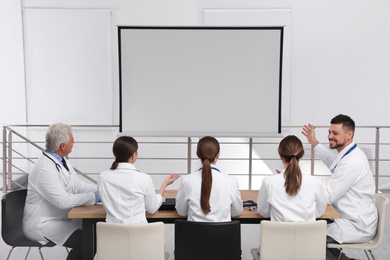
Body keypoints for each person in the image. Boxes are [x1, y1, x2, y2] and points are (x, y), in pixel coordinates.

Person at [302, 114, 378, 260]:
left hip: (355, 224)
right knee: (310, 231)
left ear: (349, 134)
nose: (330, 136)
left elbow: (327, 196)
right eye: (329, 132)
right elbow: (331, 161)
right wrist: (313, 141)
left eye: (335, 133)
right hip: (348, 217)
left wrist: (300, 191)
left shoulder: (351, 163)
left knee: (308, 236)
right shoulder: (348, 154)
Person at [23, 123, 99, 260]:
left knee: (94, 233)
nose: (74, 142)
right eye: (72, 140)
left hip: (59, 218)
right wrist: (94, 196)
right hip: (43, 224)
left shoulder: (62, 161)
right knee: (88, 241)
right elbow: (63, 201)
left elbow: (76, 185)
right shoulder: (44, 169)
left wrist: (101, 189)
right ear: (62, 146)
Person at [98, 136, 180, 223]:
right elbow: (152, 208)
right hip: (139, 235)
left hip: (112, 234)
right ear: (134, 155)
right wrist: (164, 184)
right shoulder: (143, 178)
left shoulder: (103, 177)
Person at [257, 135, 326, 222]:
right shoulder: (315, 182)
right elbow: (320, 212)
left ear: (280, 155)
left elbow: (263, 212)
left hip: (278, 235)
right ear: (302, 155)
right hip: (306, 235)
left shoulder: (269, 182)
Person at [175, 136, 243, 221]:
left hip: (194, 234)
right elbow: (237, 212)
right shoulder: (231, 182)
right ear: (218, 154)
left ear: (197, 154)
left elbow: (181, 211)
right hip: (223, 234)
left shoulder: (187, 181)